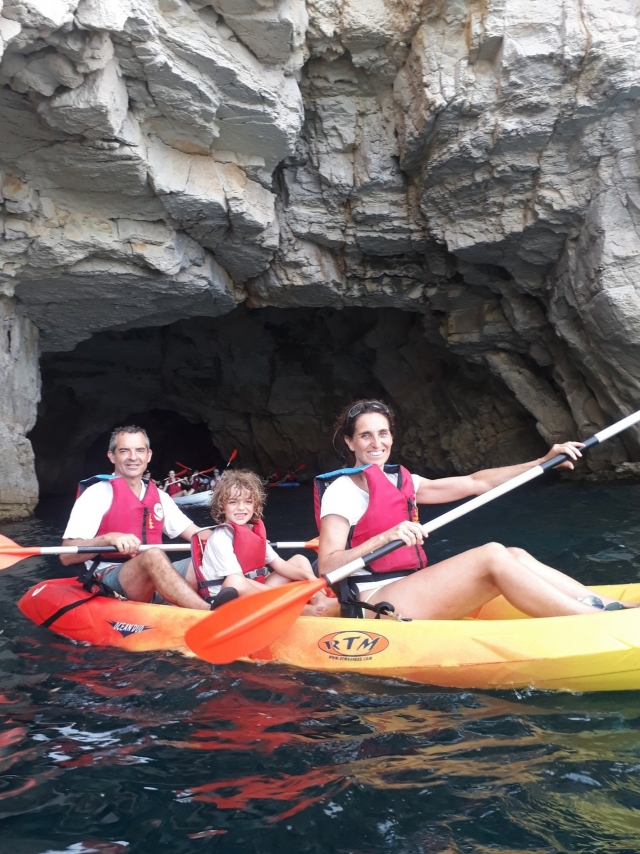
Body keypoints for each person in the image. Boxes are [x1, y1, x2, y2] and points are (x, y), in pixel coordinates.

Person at [317, 399, 633, 620]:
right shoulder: (342, 491)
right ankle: (590, 619)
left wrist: (541, 463)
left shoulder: (403, 481)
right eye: (365, 435)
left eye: (382, 433)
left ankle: (614, 607)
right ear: (350, 442)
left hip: (407, 585)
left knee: (515, 555)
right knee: (491, 554)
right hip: (371, 600)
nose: (376, 442)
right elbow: (327, 567)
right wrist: (383, 538)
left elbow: (474, 483)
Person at [60, 426, 211, 611]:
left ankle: (231, 600)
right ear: (112, 456)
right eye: (124, 451)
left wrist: (231, 537)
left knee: (210, 555)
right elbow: (66, 555)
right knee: (154, 555)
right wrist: (107, 539)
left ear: (148, 455)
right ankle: (208, 613)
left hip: (152, 573)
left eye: (139, 450)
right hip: (108, 576)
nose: (133, 457)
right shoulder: (96, 494)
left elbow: (197, 535)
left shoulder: (159, 496)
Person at [193, 470, 337, 616]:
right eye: (233, 502)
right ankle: (298, 608)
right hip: (229, 600)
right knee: (235, 581)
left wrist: (309, 578)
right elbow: (237, 583)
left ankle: (320, 599)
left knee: (299, 560)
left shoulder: (253, 531)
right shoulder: (220, 538)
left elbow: (279, 564)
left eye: (248, 501)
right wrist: (287, 596)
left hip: (254, 590)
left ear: (255, 505)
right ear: (222, 507)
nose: (241, 508)